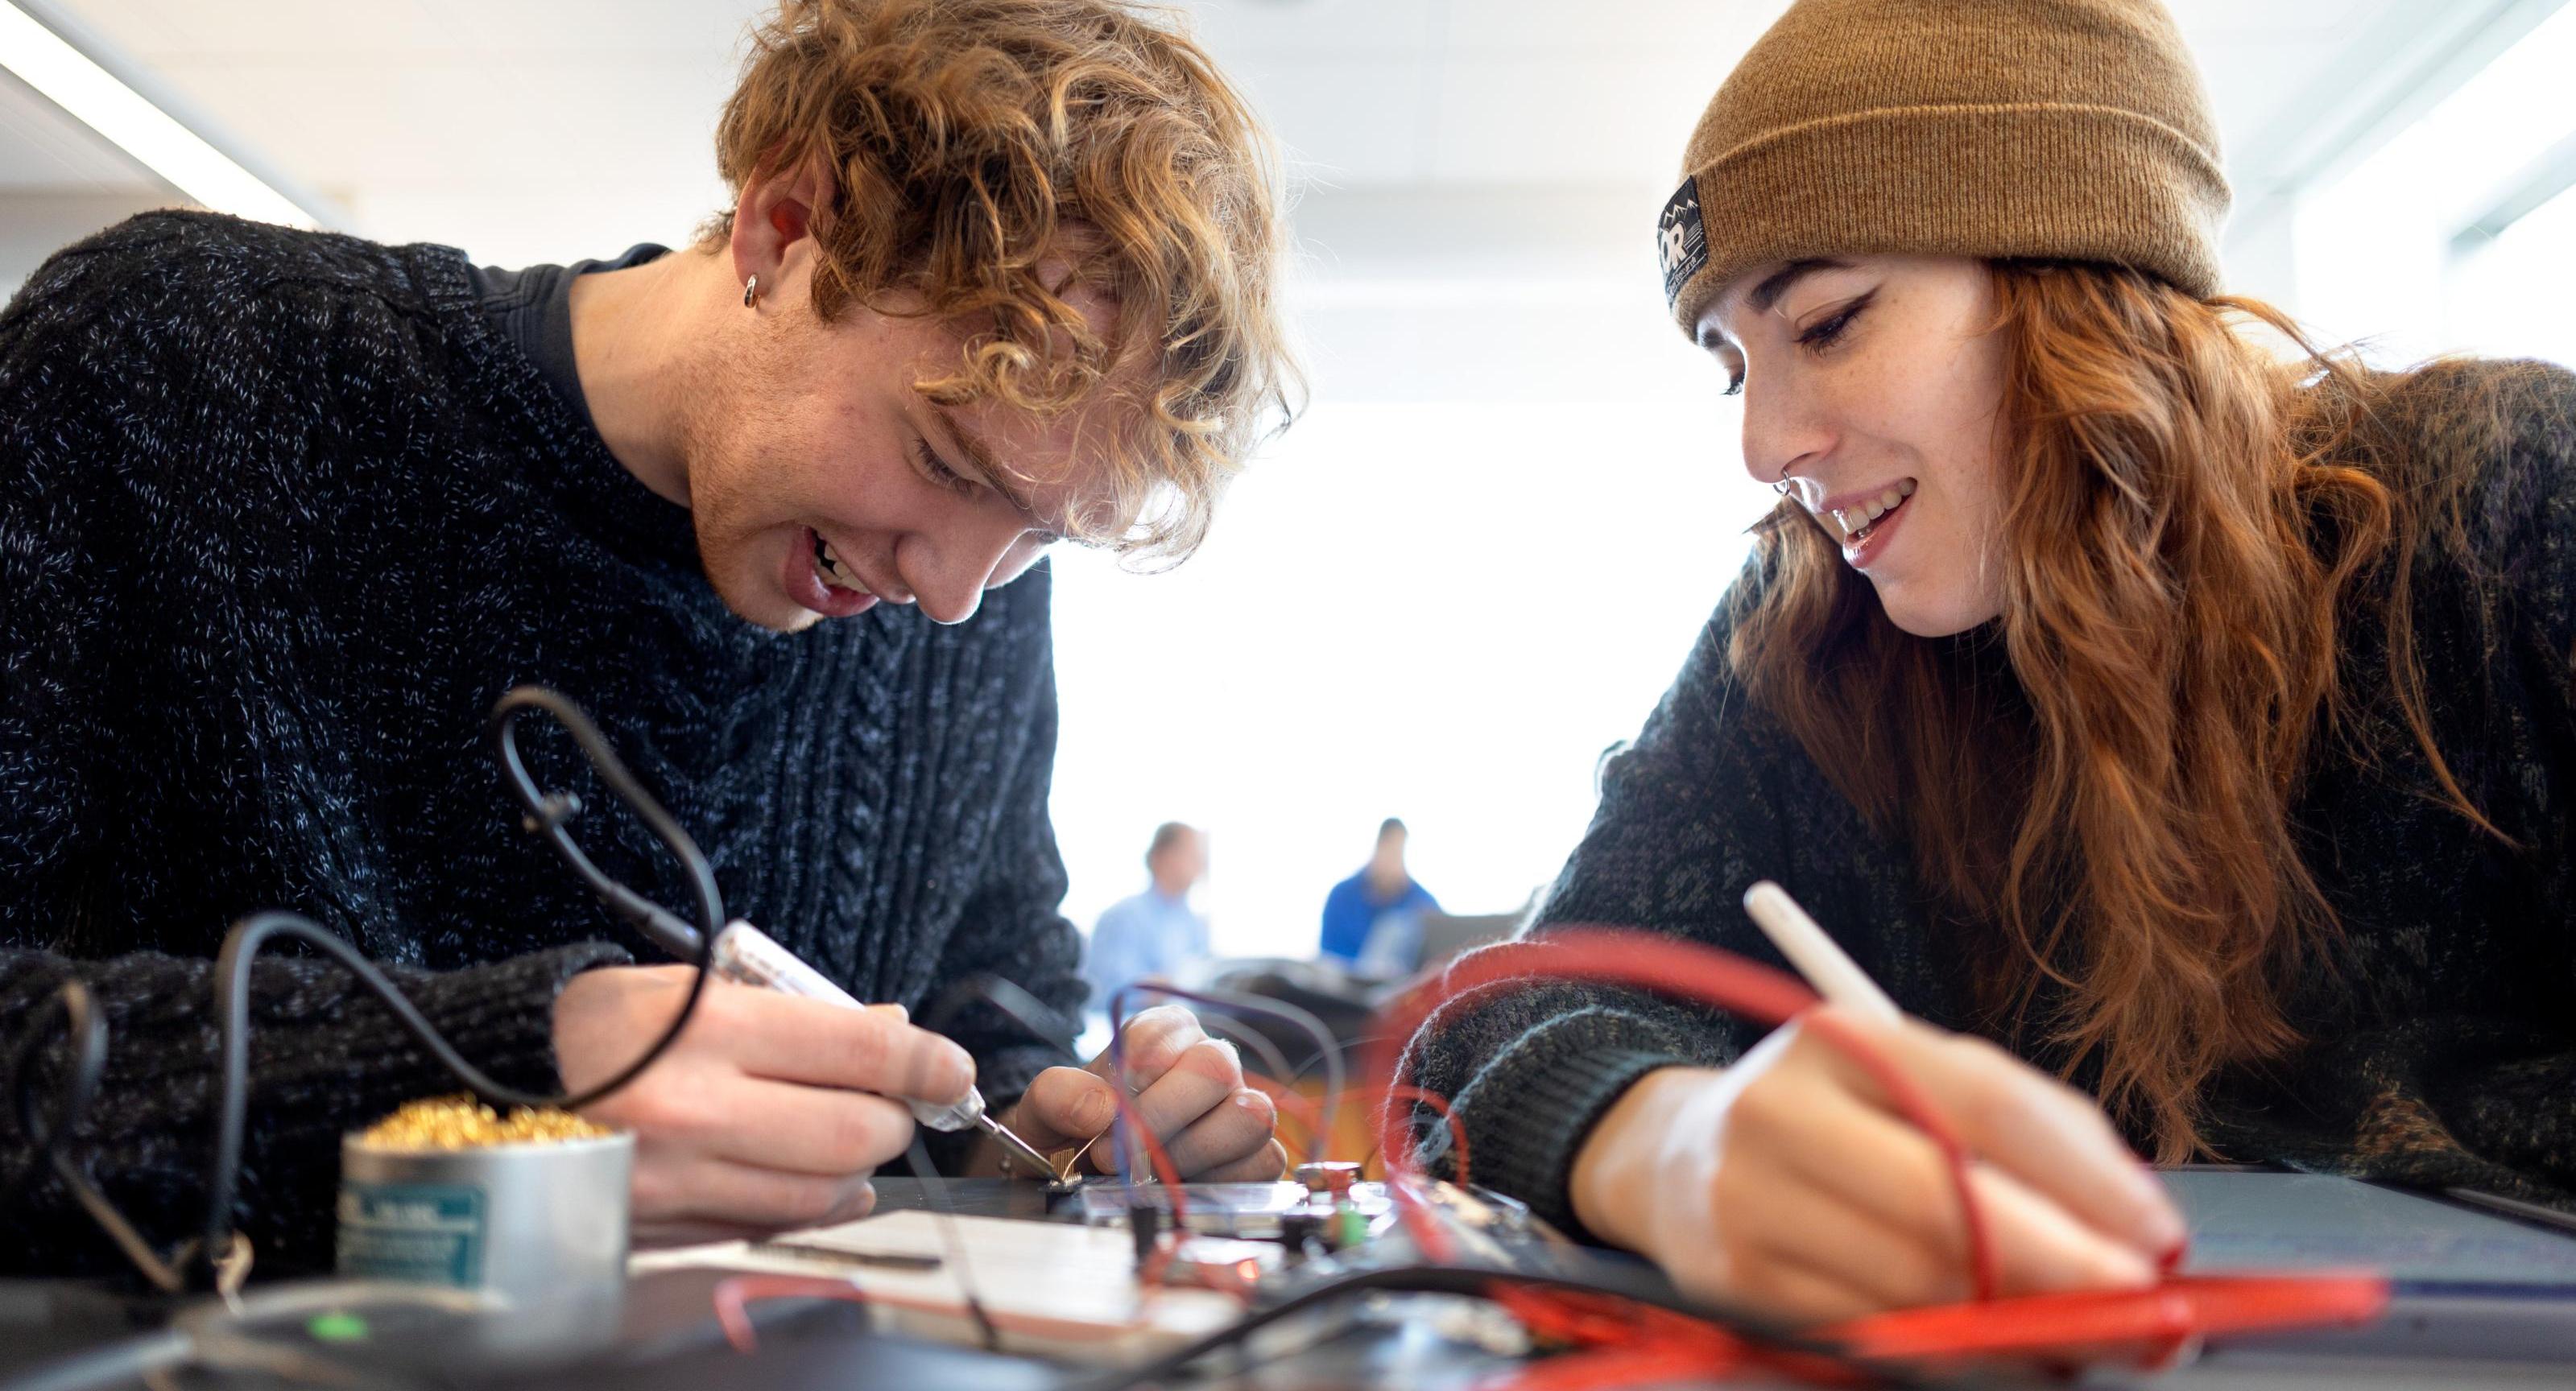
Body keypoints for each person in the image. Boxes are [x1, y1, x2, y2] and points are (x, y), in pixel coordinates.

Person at [0, 0, 1297, 1278]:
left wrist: (1058, 1126)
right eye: (945, 461)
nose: (954, 593)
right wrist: (501, 1087)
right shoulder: (168, 368)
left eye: (1040, 531)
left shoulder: (962, 586)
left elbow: (987, 985)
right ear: (784, 228)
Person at [1404, 0, 2576, 1329]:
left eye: (1829, 320)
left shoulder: (2497, 508)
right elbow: (1502, 1012)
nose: (1763, 441)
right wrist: (1663, 1145)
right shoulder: (1798, 644)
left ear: (2074, 278)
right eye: (1731, 364)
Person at [1083, 822, 1211, 1013]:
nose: (1201, 865)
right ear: (1162, 857)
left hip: (1180, 1029)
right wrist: (1155, 989)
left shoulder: (1195, 925)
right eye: (1192, 856)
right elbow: (1102, 995)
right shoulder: (1122, 917)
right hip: (1126, 1032)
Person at [1320, 818, 1441, 974]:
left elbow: (1437, 959)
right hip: (1343, 991)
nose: (1391, 861)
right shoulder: (1340, 896)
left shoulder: (1424, 905)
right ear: (1377, 848)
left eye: (1397, 853)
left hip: (1402, 992)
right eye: (1387, 850)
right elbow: (1327, 957)